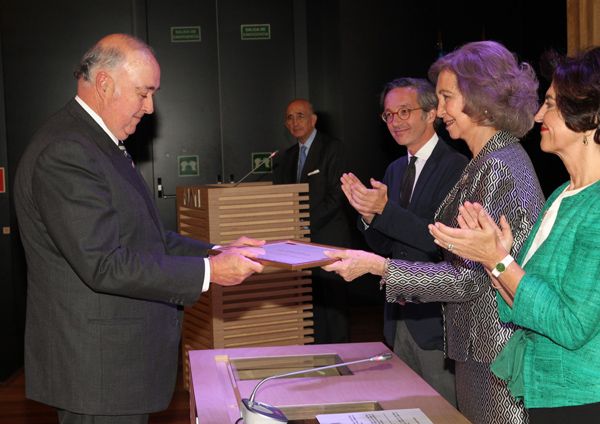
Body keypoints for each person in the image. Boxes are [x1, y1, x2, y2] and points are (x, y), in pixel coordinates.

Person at [13, 34, 265, 424]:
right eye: (143, 93)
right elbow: (104, 264)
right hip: (98, 375)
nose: (150, 108)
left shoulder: (95, 142)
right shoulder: (68, 150)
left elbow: (147, 237)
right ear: (104, 84)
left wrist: (215, 251)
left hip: (112, 370)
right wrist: (211, 273)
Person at [323, 41, 545, 424]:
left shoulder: (497, 166)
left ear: (481, 98)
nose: (439, 111)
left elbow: (469, 281)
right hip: (480, 349)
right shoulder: (488, 161)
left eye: (446, 98)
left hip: (494, 352)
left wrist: (379, 267)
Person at [428, 46, 600, 424]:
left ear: (589, 116)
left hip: (580, 399)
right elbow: (521, 302)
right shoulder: (562, 195)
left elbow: (571, 326)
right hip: (545, 393)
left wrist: (497, 260)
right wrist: (499, 261)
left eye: (551, 103)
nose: (538, 113)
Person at [340, 77, 467, 405]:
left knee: (442, 412)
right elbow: (387, 248)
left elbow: (439, 243)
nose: (395, 121)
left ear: (431, 114)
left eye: (404, 111)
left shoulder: (457, 167)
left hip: (435, 324)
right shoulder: (396, 169)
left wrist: (384, 210)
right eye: (388, 115)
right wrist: (368, 217)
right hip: (397, 321)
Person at [272, 99, 351, 343]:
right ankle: (316, 359)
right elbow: (282, 198)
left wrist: (305, 224)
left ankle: (339, 362)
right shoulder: (286, 156)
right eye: (289, 118)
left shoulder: (332, 148)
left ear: (313, 119)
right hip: (300, 244)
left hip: (328, 238)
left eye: (300, 116)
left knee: (333, 308)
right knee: (310, 306)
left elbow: (335, 197)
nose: (294, 122)